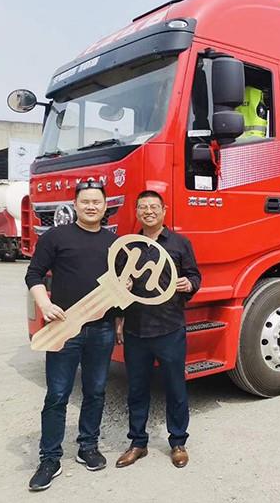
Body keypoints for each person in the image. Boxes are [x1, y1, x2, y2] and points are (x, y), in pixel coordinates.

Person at [25, 181, 121, 491]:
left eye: (97, 202)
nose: (91, 206)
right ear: (75, 205)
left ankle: (87, 447)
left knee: (96, 390)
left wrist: (119, 321)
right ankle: (49, 458)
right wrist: (45, 304)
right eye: (85, 201)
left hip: (102, 329)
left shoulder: (114, 243)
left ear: (105, 207)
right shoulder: (56, 237)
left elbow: (121, 287)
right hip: (64, 328)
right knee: (57, 394)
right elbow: (34, 274)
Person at [115, 190, 201, 469]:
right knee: (136, 389)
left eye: (154, 207)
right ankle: (138, 443)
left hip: (170, 327)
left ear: (164, 210)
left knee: (175, 387)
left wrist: (189, 284)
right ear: (136, 212)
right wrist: (119, 316)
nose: (148, 211)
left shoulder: (180, 243)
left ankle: (178, 442)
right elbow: (118, 284)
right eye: (143, 207)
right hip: (135, 329)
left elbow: (194, 275)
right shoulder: (128, 246)